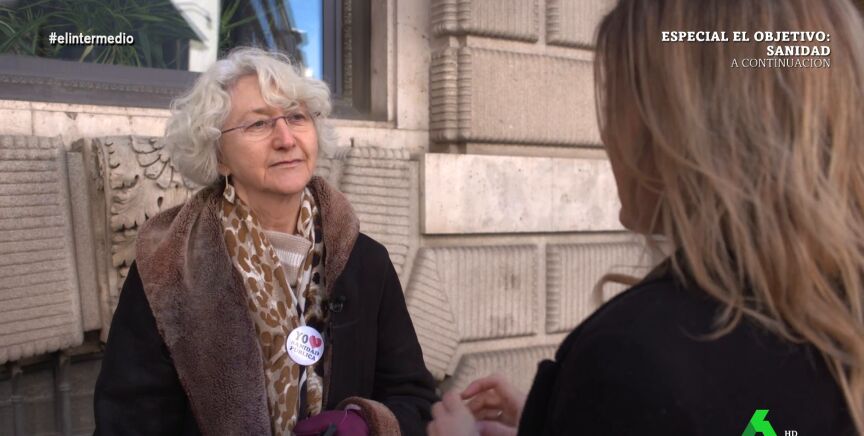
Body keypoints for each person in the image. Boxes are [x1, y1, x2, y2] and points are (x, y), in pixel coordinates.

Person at [427, 0, 864, 434]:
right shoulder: (831, 319)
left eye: (617, 101)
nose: (607, 135)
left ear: (676, 126)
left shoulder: (638, 355)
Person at [94, 47, 437, 435]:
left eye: (297, 117)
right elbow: (127, 423)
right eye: (258, 124)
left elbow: (414, 397)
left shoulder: (364, 260)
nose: (286, 139)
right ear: (218, 155)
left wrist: (366, 424)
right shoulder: (168, 266)